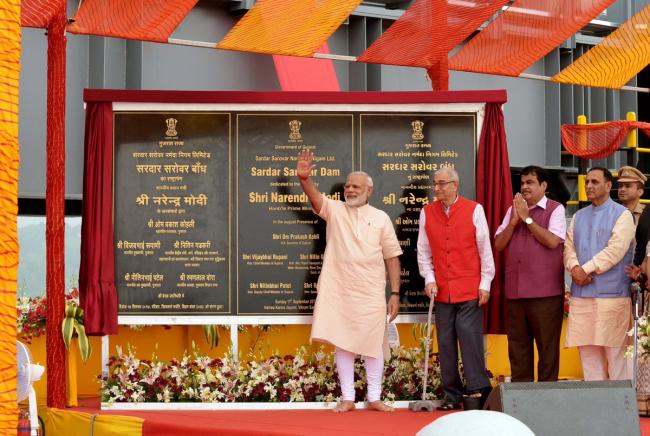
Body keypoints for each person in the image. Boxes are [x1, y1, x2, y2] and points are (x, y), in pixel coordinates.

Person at [296, 149, 402, 412]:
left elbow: (392, 257)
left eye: (356, 186)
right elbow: (315, 197)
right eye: (347, 186)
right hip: (339, 291)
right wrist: (304, 179)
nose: (350, 190)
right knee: (342, 342)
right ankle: (348, 398)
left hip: (370, 292)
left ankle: (375, 397)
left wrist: (395, 294)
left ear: (369, 191)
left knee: (373, 345)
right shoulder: (335, 210)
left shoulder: (381, 218)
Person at [417, 167, 494, 410]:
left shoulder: (475, 209)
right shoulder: (426, 212)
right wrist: (429, 278)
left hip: (469, 288)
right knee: (446, 344)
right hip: (441, 290)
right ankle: (452, 395)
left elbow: (485, 249)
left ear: (454, 185)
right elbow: (423, 251)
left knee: (469, 339)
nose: (436, 188)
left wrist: (485, 283)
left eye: (441, 184)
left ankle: (477, 391)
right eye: (435, 183)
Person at [494, 166, 566, 382]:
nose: (525, 187)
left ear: (544, 185)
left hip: (545, 295)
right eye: (523, 183)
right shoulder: (512, 211)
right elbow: (499, 244)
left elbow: (553, 241)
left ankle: (547, 401)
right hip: (515, 295)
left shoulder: (556, 209)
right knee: (518, 349)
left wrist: (527, 219)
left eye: (530, 183)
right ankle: (521, 400)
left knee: (547, 350)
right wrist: (515, 220)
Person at [564, 167, 635, 381]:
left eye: (595, 182)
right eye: (587, 182)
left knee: (616, 356)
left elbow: (615, 250)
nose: (588, 186)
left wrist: (583, 270)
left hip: (612, 296)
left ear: (608, 185)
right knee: (588, 355)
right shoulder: (578, 216)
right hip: (582, 295)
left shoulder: (622, 215)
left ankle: (619, 409)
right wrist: (575, 268)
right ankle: (596, 409)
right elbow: (568, 247)